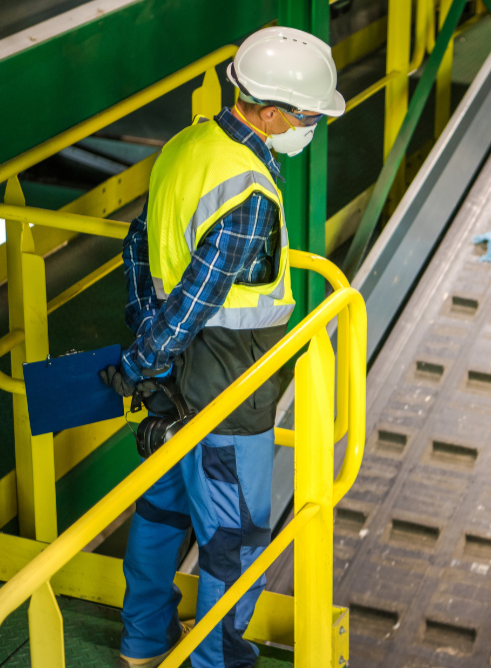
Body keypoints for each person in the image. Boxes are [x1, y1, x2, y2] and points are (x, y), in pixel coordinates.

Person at [99, 26, 345, 668]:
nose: (311, 125)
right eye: (307, 115)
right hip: (228, 379)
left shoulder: (187, 146)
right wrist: (145, 359)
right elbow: (199, 299)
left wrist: (145, 351)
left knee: (161, 509)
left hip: (176, 374)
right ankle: (214, 663)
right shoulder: (247, 193)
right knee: (234, 537)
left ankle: (143, 644)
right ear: (269, 113)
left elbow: (139, 247)